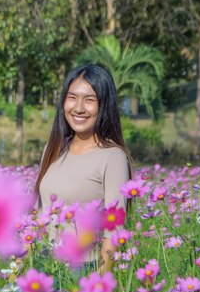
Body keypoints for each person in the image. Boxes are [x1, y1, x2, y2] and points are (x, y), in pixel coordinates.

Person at [35, 63, 131, 273]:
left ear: (104, 105)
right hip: (43, 262)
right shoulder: (53, 149)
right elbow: (40, 213)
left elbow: (113, 231)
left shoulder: (113, 157)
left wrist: (97, 282)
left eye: (89, 100)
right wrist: (20, 266)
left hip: (82, 269)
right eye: (72, 97)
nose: (78, 108)